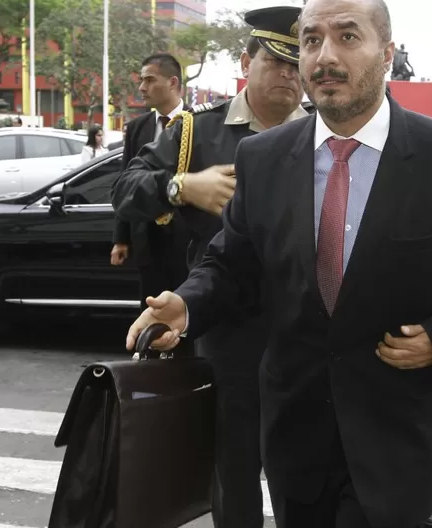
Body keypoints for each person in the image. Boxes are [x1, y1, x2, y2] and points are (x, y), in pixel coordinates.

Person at [123, 0, 432, 526]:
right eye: (311, 40)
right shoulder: (264, 159)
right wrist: (184, 306)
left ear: (387, 53)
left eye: (347, 37)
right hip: (296, 433)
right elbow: (232, 265)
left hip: (400, 436)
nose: (324, 56)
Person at [110, 8, 307, 528]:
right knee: (235, 462)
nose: (289, 75)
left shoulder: (323, 133)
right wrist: (181, 186)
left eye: (297, 65)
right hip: (228, 325)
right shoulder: (198, 131)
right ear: (247, 61)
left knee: (303, 463)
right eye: (276, 62)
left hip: (306, 324)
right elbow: (124, 190)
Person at [110, 53, 188, 317]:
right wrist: (121, 239)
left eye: (149, 80)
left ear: (172, 82)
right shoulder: (137, 128)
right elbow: (125, 182)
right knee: (151, 312)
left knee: (186, 313)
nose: (142, 88)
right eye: (141, 80)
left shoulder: (199, 123)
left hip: (187, 240)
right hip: (147, 239)